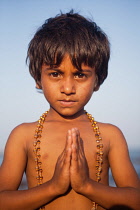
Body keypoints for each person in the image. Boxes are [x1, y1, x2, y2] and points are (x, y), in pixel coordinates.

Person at [0, 11, 139, 210]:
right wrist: (54, 187)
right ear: (38, 78)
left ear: (97, 80)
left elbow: (135, 199)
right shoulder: (23, 136)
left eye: (80, 75)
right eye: (55, 74)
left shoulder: (110, 135)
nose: (67, 88)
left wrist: (86, 186)